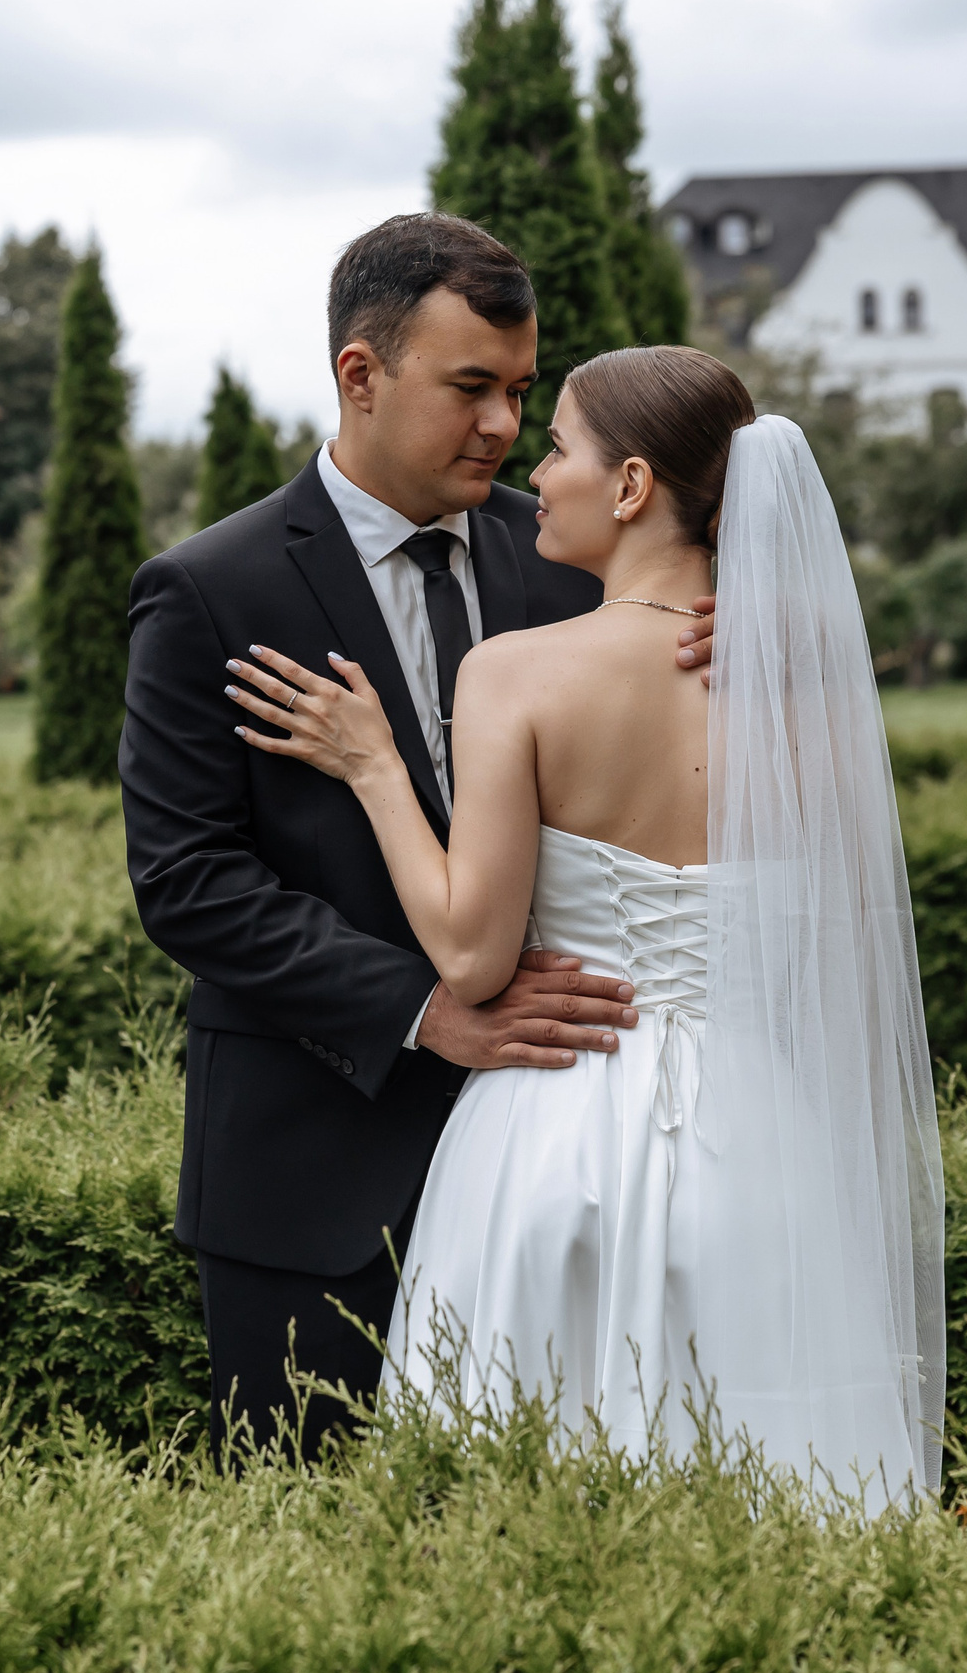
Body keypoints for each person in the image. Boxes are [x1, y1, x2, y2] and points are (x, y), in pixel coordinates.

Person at [228, 346, 946, 1505]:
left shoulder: (513, 673)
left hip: (551, 1129)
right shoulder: (795, 682)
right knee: (788, 1489)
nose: (533, 466)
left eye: (558, 445)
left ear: (629, 488)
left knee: (516, 1493)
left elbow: (471, 955)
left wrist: (372, 768)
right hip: (763, 1141)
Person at [120, 214, 718, 1459]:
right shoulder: (210, 590)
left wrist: (762, 635)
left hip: (567, 1168)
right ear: (360, 374)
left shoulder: (566, 550)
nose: (504, 427)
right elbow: (188, 881)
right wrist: (423, 1009)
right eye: (470, 389)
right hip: (310, 1186)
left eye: (519, 393)